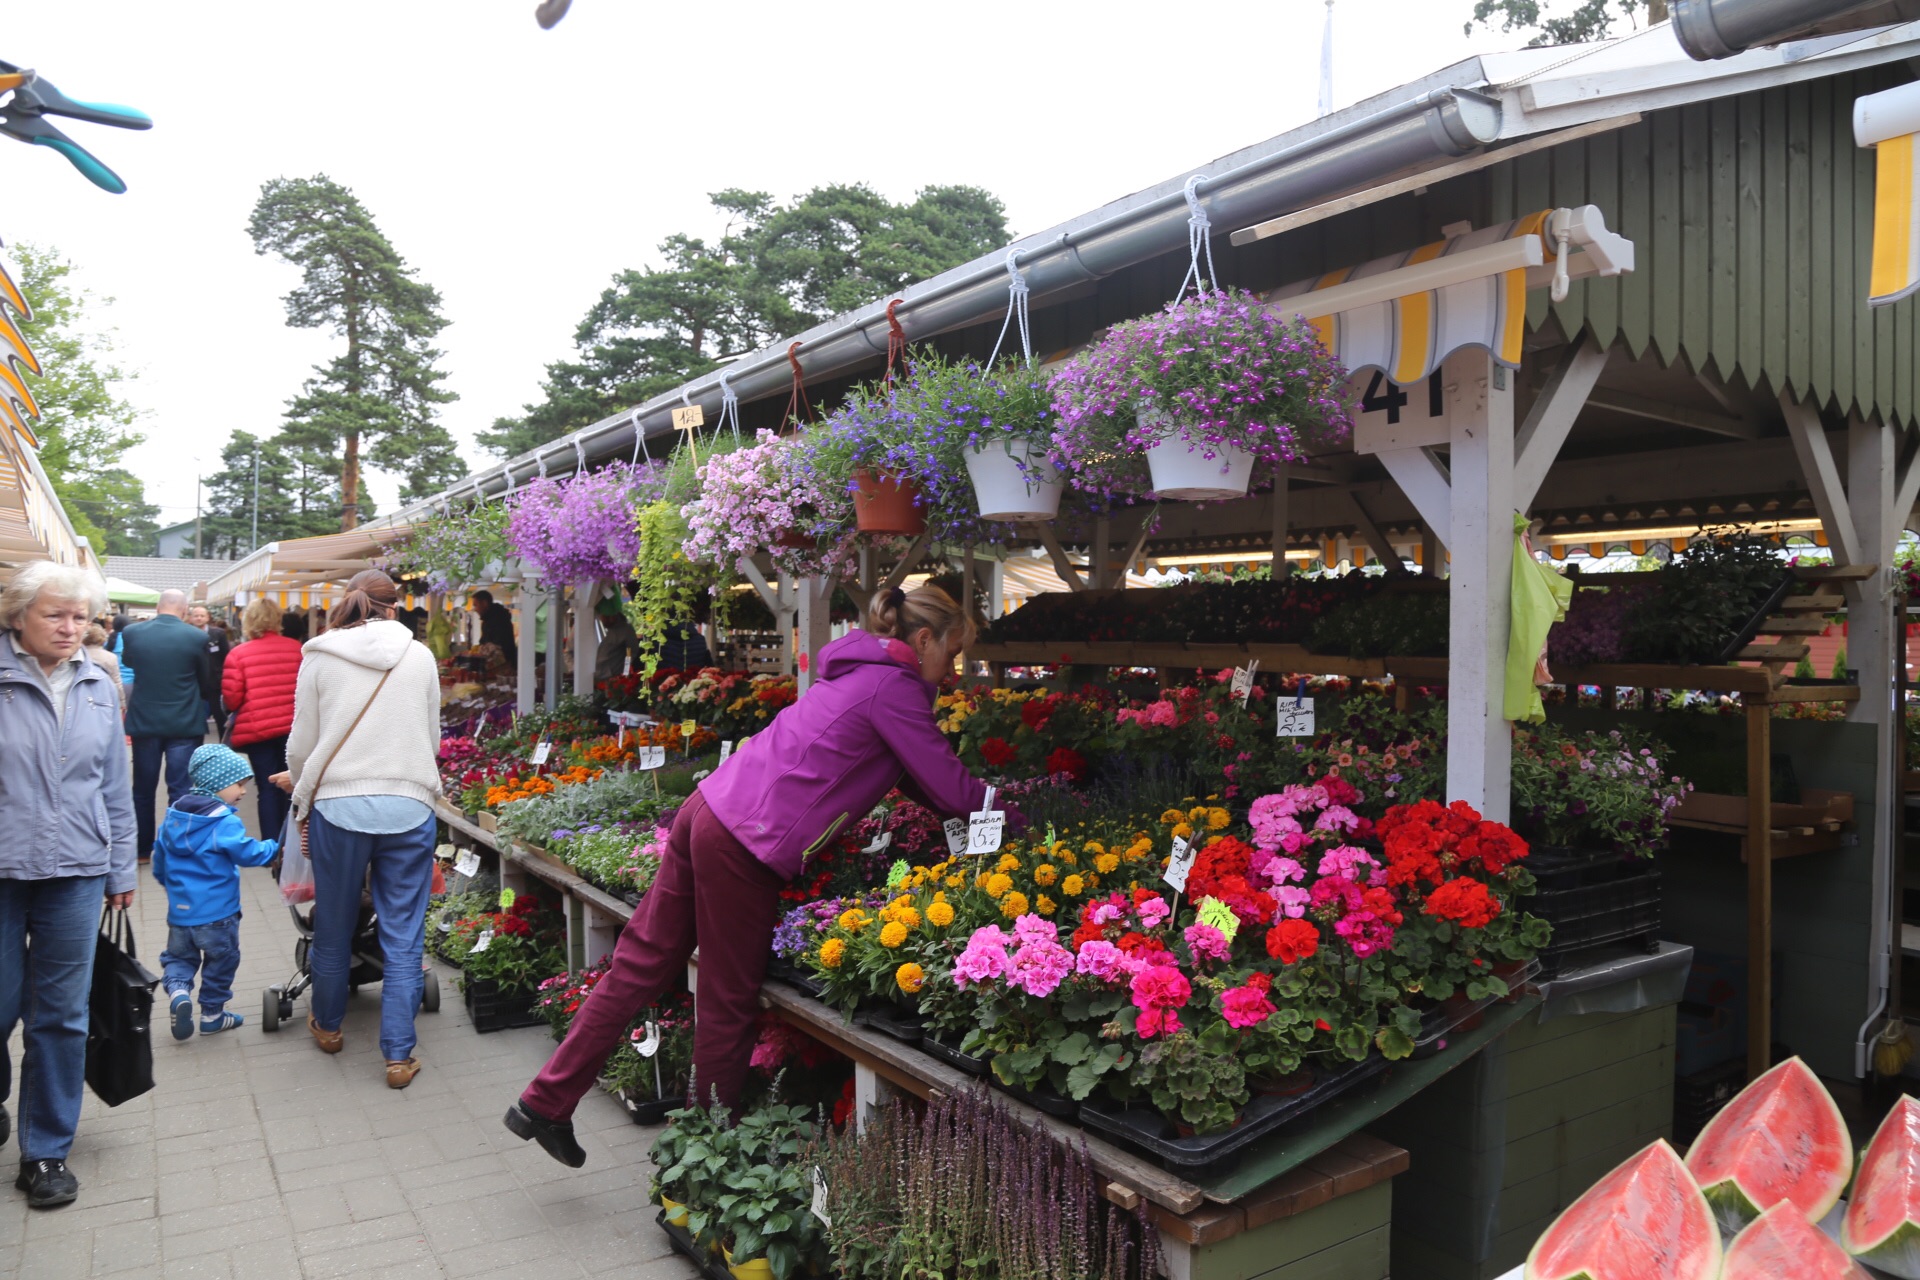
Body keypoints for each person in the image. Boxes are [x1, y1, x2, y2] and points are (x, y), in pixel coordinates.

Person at [505, 585, 996, 1167]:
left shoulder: (860, 673)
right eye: (954, 652)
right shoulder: (898, 688)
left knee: (639, 963)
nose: (954, 670)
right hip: (746, 840)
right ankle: (713, 1154)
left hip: (707, 809)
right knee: (726, 1000)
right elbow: (952, 788)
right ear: (923, 639)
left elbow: (917, 778)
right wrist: (1012, 816)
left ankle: (544, 1102)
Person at [0, 562, 136, 1208]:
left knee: (61, 1016)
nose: (70, 627)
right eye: (56, 614)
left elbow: (115, 783)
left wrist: (120, 867)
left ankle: (46, 1151)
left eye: (81, 617)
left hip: (77, 871)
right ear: (18, 615)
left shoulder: (97, 684)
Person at [276, 569, 442, 1089]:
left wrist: (301, 784)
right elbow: (432, 735)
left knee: (333, 925)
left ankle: (327, 1026)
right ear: (395, 607)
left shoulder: (320, 656)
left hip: (339, 806)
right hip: (409, 805)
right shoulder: (420, 656)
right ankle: (397, 1055)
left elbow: (302, 743)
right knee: (403, 933)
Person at [152, 745, 278, 1040]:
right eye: (238, 785)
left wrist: (168, 885)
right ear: (217, 783)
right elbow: (247, 853)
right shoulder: (223, 822)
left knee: (178, 958)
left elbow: (159, 858)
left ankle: (179, 992)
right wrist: (272, 848)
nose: (243, 792)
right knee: (222, 961)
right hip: (218, 915)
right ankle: (212, 1014)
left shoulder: (173, 816)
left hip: (180, 914)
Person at [120, 590, 217, 861]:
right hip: (184, 721)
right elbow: (204, 677)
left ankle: (142, 849)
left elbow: (129, 661)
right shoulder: (197, 636)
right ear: (185, 610)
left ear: (157, 606)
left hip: (145, 720)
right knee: (180, 787)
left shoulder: (132, 633)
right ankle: (177, 846)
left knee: (142, 788)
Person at [221, 598, 303, 840]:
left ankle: (270, 847)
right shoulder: (298, 650)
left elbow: (232, 700)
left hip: (258, 730)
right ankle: (292, 842)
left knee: (267, 788)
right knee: (292, 785)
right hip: (292, 729)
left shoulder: (238, 654)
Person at [187, 604, 232, 736]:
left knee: (220, 716)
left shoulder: (218, 634)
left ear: (208, 618)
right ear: (190, 618)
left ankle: (223, 746)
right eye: (196, 616)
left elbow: (226, 656)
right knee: (194, 716)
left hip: (215, 682)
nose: (199, 618)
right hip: (193, 681)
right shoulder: (186, 633)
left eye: (202, 616)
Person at [83, 621, 126, 711]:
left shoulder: (78, 655)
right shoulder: (110, 657)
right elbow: (117, 683)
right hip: (104, 697)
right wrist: (122, 702)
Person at [467, 590, 516, 664]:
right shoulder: (489, 619)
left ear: (484, 603)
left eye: (475, 605)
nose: (475, 609)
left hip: (502, 665)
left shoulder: (498, 619)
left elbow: (497, 645)